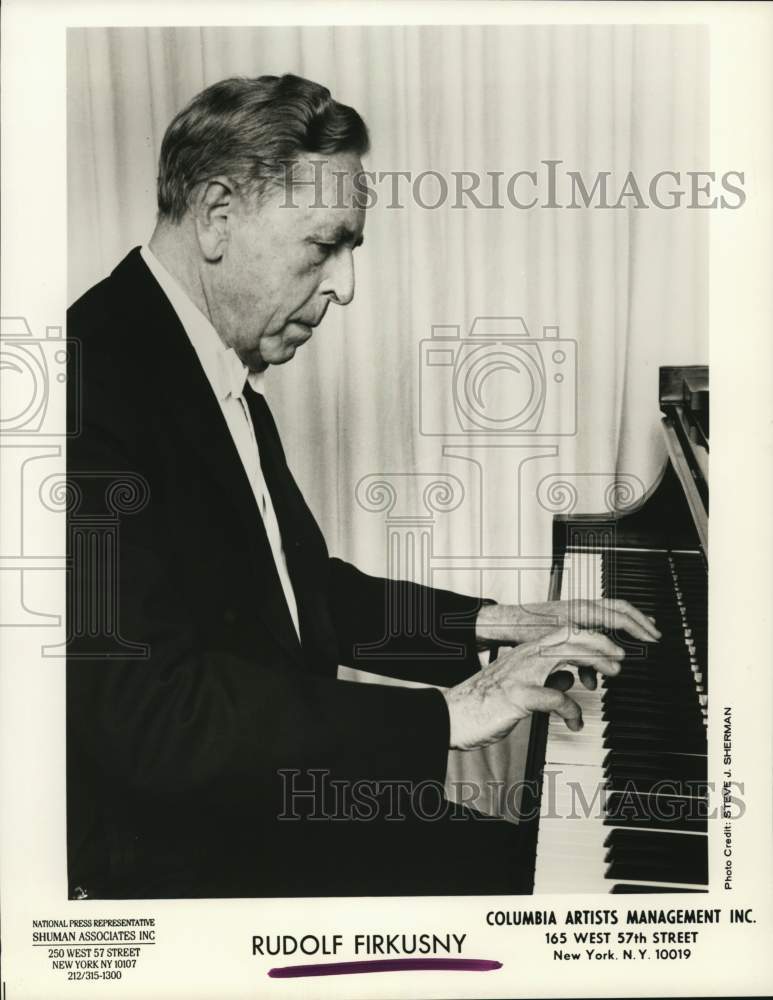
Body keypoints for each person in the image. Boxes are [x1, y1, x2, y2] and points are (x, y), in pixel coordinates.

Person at [66, 73, 659, 899]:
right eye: (324, 245)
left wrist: (497, 624)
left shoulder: (198, 359)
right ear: (216, 215)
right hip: (182, 863)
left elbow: (304, 596)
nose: (344, 285)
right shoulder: (86, 383)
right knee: (548, 901)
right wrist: (453, 714)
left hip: (258, 806)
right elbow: (150, 715)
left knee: (531, 878)